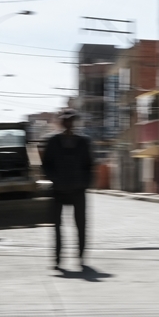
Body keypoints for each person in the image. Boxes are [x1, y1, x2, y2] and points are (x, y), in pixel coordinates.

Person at [42, 108, 94, 270]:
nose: (68, 123)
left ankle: (81, 257)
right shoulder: (52, 141)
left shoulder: (83, 142)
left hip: (78, 191)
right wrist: (54, 179)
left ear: (74, 122)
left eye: (71, 120)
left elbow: (90, 165)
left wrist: (84, 183)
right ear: (61, 122)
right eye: (65, 120)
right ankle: (57, 259)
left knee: (81, 226)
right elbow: (46, 165)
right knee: (56, 227)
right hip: (58, 191)